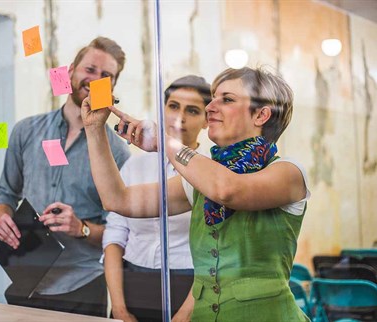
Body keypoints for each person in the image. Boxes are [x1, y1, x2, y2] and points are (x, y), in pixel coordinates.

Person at [81, 66, 311, 321]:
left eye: (226, 99)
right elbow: (117, 200)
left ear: (261, 115)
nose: (210, 107)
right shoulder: (199, 179)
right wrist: (94, 130)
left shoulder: (289, 172)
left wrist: (164, 141)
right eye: (212, 98)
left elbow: (227, 189)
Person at [0, 37, 131, 317]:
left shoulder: (117, 151)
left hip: (82, 285)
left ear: (112, 87)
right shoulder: (25, 131)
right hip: (23, 275)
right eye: (89, 69)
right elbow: (4, 193)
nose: (95, 80)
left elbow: (122, 232)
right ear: (70, 73)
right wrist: (1, 217)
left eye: (106, 76)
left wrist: (82, 228)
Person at [104, 75, 211, 322]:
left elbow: (215, 252)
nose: (179, 117)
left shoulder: (210, 170)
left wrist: (184, 316)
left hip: (190, 286)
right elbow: (115, 235)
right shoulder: (135, 165)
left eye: (192, 110)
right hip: (131, 282)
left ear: (207, 120)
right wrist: (119, 309)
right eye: (173, 106)